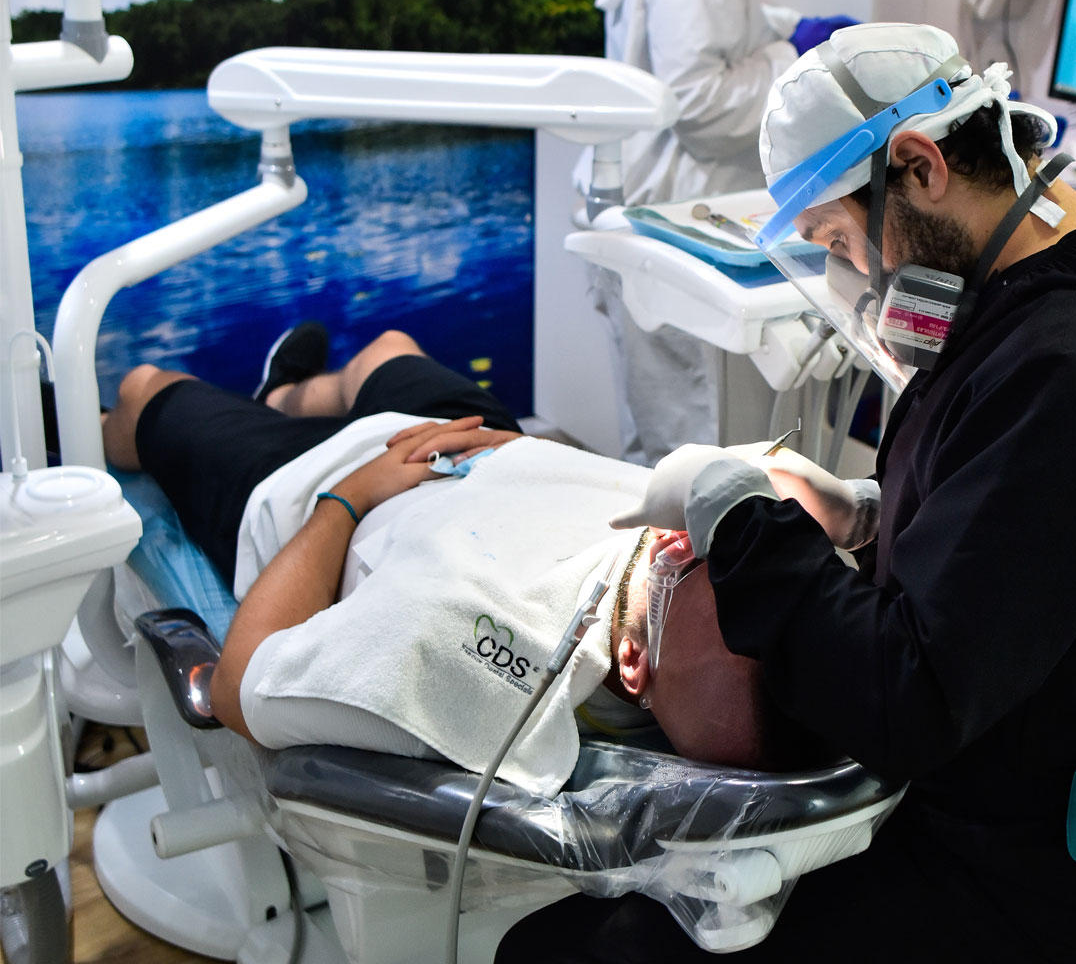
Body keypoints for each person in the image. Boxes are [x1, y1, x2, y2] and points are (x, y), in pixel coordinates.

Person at [497, 23, 1076, 960]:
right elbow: (1050, 546)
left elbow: (904, 705)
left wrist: (743, 523)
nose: (852, 273)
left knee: (577, 945)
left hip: (1019, 888)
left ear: (920, 165)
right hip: (1016, 773)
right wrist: (875, 515)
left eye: (841, 238)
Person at [102, 326, 819, 795]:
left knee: (146, 392)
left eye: (685, 563)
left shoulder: (444, 637)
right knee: (387, 349)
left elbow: (236, 693)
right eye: (699, 541)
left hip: (317, 480)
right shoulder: (690, 550)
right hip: (478, 445)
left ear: (630, 664)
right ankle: (284, 391)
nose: (679, 540)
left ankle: (127, 424)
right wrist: (517, 454)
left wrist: (349, 497)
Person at [584, 0, 856, 465]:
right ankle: (692, 554)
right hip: (680, 203)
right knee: (695, 433)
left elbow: (709, 29)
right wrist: (793, 59)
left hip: (634, 198)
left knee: (653, 420)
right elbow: (700, 102)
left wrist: (787, 28)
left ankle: (651, 549)